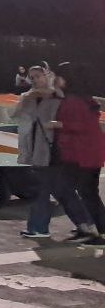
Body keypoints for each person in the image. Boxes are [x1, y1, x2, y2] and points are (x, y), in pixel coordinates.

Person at [14, 65, 92, 239]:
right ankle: (87, 224)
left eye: (38, 76)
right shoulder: (29, 97)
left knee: (42, 190)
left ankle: (38, 228)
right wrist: (25, 99)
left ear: (47, 75)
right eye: (32, 77)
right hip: (38, 151)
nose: (35, 80)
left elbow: (72, 121)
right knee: (63, 191)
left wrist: (56, 123)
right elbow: (15, 115)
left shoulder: (58, 96)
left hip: (54, 151)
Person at [50, 65, 104, 244]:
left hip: (82, 154)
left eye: (57, 77)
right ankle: (91, 229)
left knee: (74, 190)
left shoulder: (73, 101)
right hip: (87, 154)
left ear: (66, 79)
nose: (55, 80)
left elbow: (82, 125)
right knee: (87, 193)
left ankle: (94, 230)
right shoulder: (82, 98)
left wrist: (58, 125)